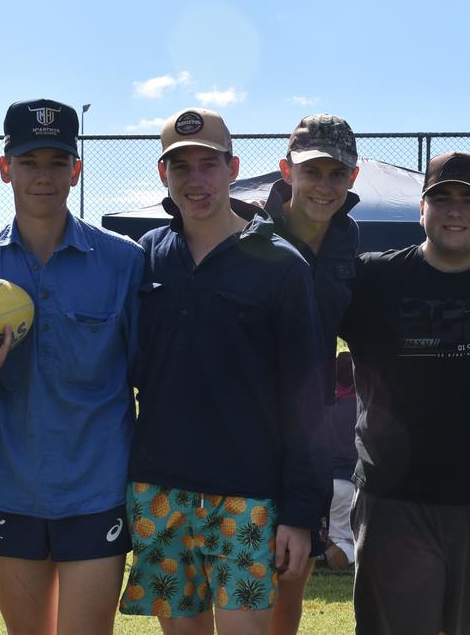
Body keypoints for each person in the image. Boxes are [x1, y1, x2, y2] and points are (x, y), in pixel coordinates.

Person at [119, 108, 330, 635]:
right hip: (161, 492)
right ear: (163, 175)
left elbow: (309, 402)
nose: (195, 180)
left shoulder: (281, 264)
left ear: (233, 168)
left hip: (248, 497)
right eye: (180, 167)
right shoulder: (147, 257)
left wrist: (301, 515)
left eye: (207, 164)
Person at [0, 98, 143, 634]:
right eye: (29, 161)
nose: (44, 175)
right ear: (6, 167)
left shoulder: (123, 260)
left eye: (58, 162)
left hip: (98, 487)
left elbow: (147, 374)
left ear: (76, 171)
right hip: (11, 487)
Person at [338, 151, 470, 635]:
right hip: (394, 502)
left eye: (469, 200)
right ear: (421, 209)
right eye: (442, 198)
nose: (455, 211)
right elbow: (295, 296)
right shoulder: (372, 279)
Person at [263, 113, 361, 635]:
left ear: (353, 178)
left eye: (336, 174)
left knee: (290, 577)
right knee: (238, 584)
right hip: (250, 440)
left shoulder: (348, 240)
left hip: (310, 440)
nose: (324, 186)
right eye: (311, 171)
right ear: (287, 171)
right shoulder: (251, 239)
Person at [321, 351, 358, 572]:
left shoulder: (327, 409)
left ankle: (326, 546)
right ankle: (336, 549)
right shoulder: (364, 408)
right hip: (353, 485)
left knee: (331, 531)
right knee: (353, 539)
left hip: (329, 484)